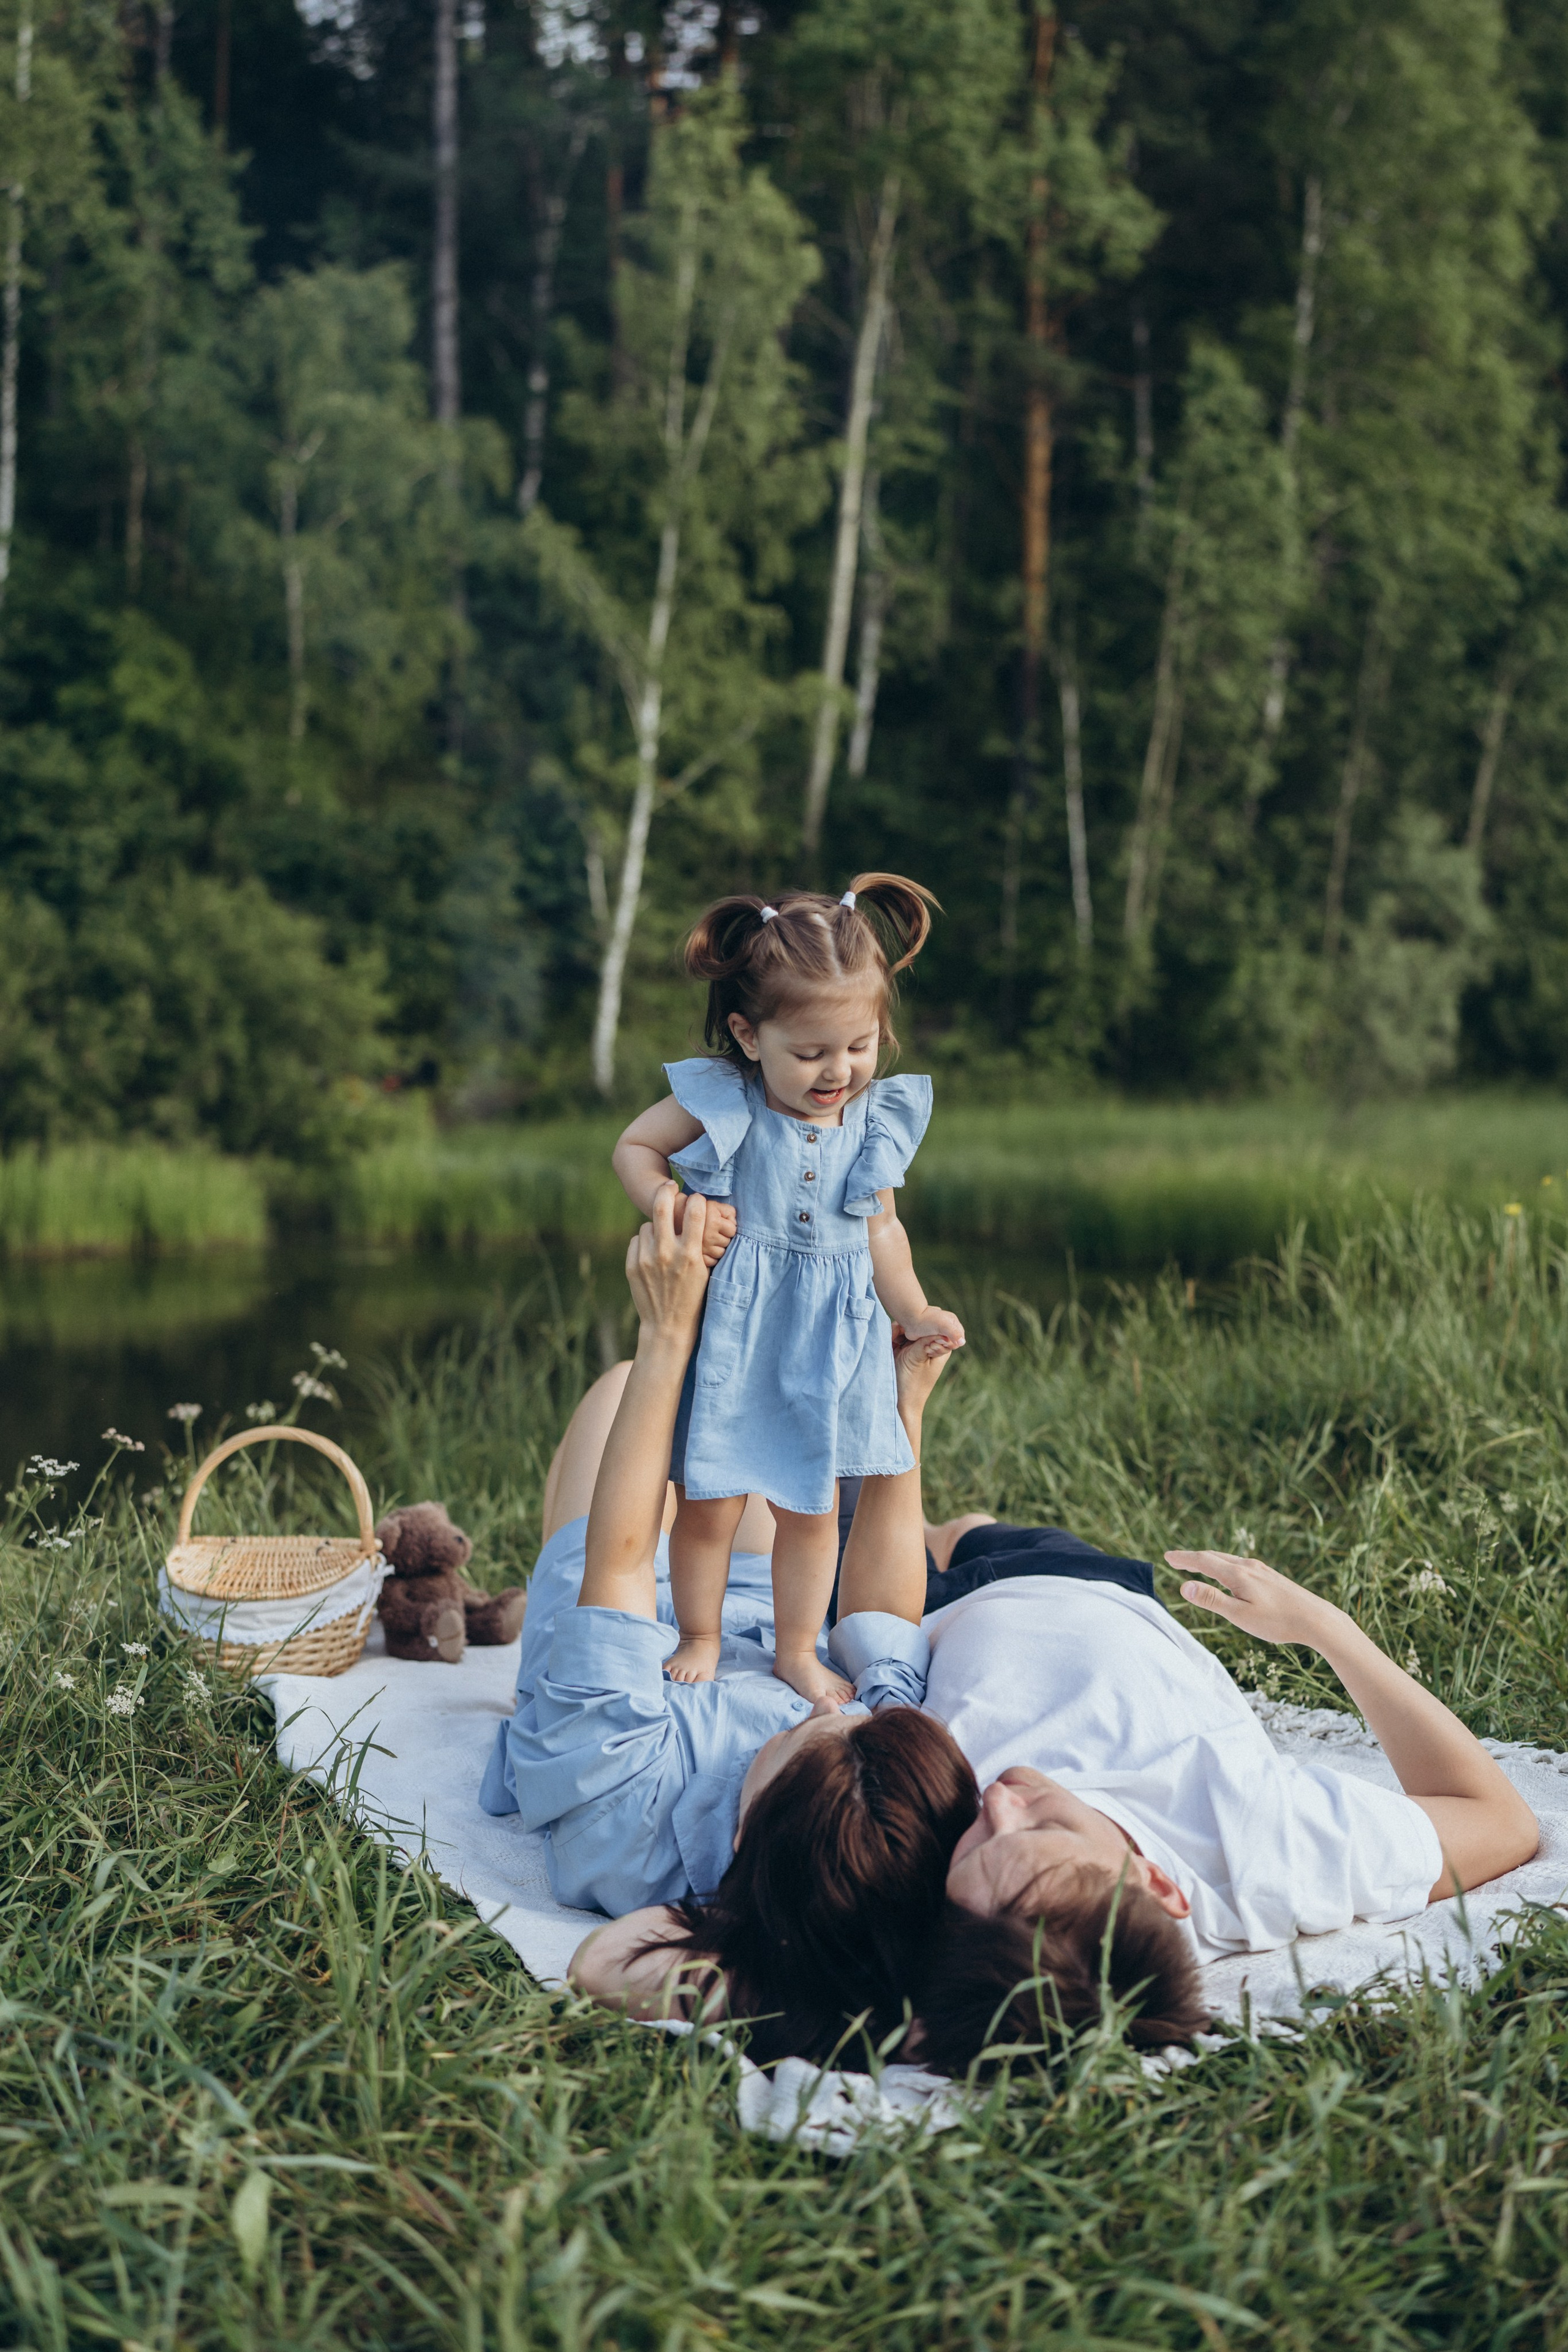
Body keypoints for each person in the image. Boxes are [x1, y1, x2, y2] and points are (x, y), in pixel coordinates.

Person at [480, 1183, 979, 2064]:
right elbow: (879, 1625)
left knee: (625, 1389)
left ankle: (524, 1599)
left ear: (747, 1834)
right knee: (761, 1436)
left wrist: (667, 1333)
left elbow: (625, 1560)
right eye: (854, 1721)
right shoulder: (880, 1793)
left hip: (615, 1591)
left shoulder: (629, 1816)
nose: (830, 1712)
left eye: (812, 1741)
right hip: (751, 1593)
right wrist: (899, 1412)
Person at [912, 1544, 1542, 2071]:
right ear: (1159, 1883)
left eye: (977, 1837)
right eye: (1048, 1826)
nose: (998, 1800)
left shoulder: (950, 1894)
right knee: (957, 1524)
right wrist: (1325, 1629)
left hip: (910, 1613)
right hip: (1086, 1585)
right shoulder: (1266, 1854)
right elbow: (1499, 1820)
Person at [610, 873, 965, 1699]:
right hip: (738, 1330)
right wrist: (676, 1201)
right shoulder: (725, 1098)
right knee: (711, 1501)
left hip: (830, 1337)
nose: (838, 1071)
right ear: (747, 1033)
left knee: (811, 1511)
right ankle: (700, 1631)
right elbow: (635, 1148)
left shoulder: (874, 1122)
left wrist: (911, 1310)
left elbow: (881, 1228)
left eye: (860, 1045)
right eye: (810, 1053)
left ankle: (797, 1648)